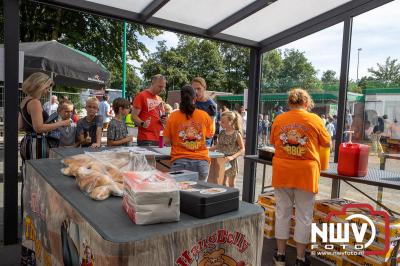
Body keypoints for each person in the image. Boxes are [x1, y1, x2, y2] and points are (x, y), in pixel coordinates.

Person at [270, 88, 330, 266]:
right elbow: (326, 142)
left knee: (282, 213)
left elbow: (274, 141)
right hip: (306, 173)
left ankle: (280, 255)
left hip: (283, 171)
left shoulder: (279, 119)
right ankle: (300, 258)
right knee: (304, 215)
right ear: (306, 102)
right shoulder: (315, 119)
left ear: (290, 102)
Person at [164, 85, 215, 181]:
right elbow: (210, 134)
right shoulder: (204, 115)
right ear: (195, 99)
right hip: (201, 162)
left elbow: (166, 141)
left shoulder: (173, 116)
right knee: (199, 194)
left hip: (179, 162)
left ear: (181, 99)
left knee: (180, 195)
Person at [19, 72, 70, 160]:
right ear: (39, 86)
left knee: (28, 170)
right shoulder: (35, 102)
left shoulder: (24, 101)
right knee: (36, 171)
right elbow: (39, 128)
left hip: (27, 141)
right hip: (36, 144)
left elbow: (20, 126)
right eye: (46, 88)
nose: (47, 91)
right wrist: (62, 123)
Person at [209, 111, 244, 187]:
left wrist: (232, 157)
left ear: (231, 122)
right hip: (220, 160)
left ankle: (232, 198)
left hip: (231, 162)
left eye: (223, 122)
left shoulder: (236, 134)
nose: (220, 123)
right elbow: (218, 146)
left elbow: (242, 149)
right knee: (221, 182)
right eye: (221, 121)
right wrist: (207, 149)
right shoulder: (221, 133)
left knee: (231, 183)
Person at [131, 74, 167, 146]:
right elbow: (133, 116)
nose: (162, 89)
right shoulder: (141, 96)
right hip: (146, 139)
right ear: (152, 83)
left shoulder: (159, 99)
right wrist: (142, 123)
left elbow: (162, 116)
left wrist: (165, 120)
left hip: (160, 138)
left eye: (163, 87)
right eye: (160, 86)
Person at [192, 77, 217, 146]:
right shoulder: (191, 102)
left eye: (198, 89)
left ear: (204, 88)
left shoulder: (211, 105)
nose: (196, 91)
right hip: (190, 137)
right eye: (194, 89)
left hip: (205, 140)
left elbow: (211, 126)